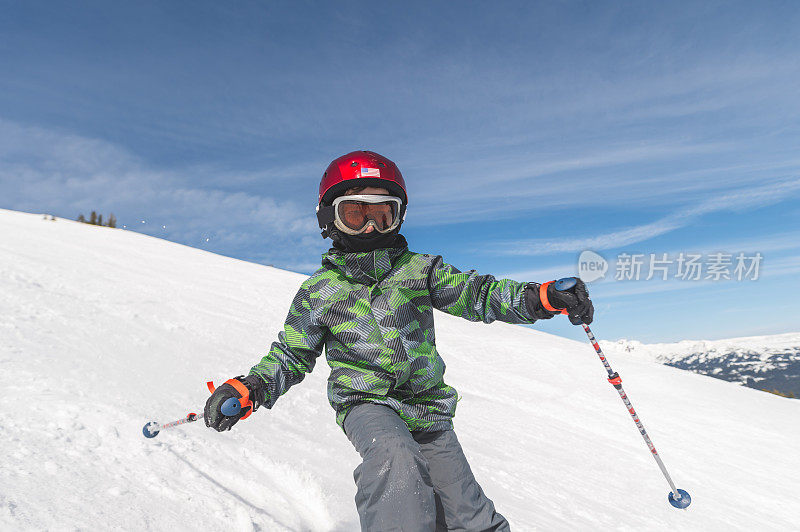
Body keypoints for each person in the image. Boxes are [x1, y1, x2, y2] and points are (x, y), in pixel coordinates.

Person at [204, 150, 594, 531]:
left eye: (382, 214)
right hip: (367, 401)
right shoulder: (321, 291)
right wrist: (252, 386)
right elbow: (291, 354)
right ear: (330, 219)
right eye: (355, 214)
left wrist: (538, 298)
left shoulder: (420, 271)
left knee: (471, 516)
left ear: (398, 217)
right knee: (397, 462)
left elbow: (476, 293)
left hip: (428, 408)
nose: (371, 227)